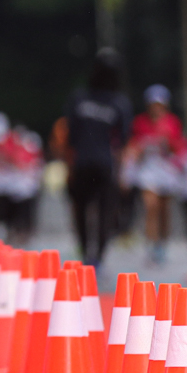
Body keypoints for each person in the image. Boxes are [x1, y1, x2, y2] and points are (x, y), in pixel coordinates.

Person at [54, 50, 133, 269]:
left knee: (102, 212)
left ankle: (96, 256)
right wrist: (69, 166)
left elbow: (123, 142)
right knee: (83, 210)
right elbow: (69, 136)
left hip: (102, 164)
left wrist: (122, 172)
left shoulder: (117, 102)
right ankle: (89, 253)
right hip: (84, 163)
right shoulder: (81, 98)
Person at [127, 85, 187, 263]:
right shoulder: (140, 122)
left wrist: (166, 140)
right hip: (148, 170)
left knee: (164, 210)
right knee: (151, 207)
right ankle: (151, 245)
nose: (156, 108)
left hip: (167, 169)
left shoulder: (172, 122)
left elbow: (178, 148)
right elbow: (134, 145)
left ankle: (162, 244)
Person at [0, 111, 44, 241]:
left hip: (18, 187)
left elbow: (24, 163)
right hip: (0, 185)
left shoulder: (16, 143)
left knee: (18, 211)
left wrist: (8, 162)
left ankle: (20, 230)